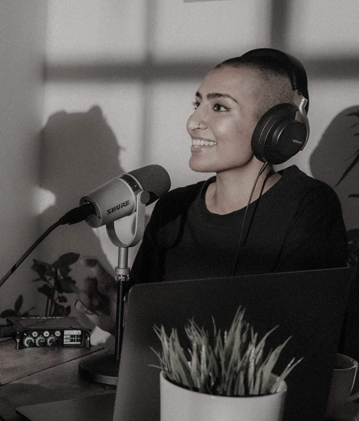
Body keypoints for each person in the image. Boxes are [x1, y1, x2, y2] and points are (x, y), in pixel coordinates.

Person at [76, 48, 348, 333]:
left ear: (274, 127)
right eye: (196, 104)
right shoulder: (174, 207)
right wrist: (123, 318)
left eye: (219, 107)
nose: (192, 123)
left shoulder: (308, 206)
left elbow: (302, 338)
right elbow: (147, 334)